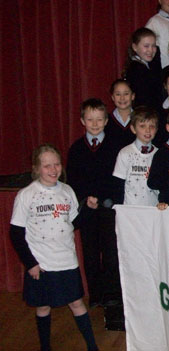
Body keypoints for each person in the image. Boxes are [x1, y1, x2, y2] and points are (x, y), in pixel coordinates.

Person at [10, 144, 99, 351]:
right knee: (43, 306)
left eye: (57, 164)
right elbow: (16, 233)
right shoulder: (26, 194)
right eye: (47, 165)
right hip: (41, 264)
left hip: (67, 260)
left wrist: (89, 210)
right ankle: (45, 347)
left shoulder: (67, 191)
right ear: (36, 168)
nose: (53, 170)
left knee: (77, 303)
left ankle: (93, 347)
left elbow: (74, 223)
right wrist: (30, 263)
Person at [66, 98, 122, 308]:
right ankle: (96, 294)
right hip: (86, 210)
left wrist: (108, 199)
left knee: (110, 252)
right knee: (90, 253)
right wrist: (85, 199)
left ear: (107, 121)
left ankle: (112, 294)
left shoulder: (116, 147)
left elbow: (117, 179)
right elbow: (73, 181)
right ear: (82, 121)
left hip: (109, 209)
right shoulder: (77, 149)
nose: (95, 124)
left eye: (100, 119)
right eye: (90, 119)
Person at [113, 106, 159, 206]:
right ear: (133, 129)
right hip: (130, 209)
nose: (148, 130)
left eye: (151, 126)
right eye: (142, 126)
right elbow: (118, 185)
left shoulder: (159, 154)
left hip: (154, 209)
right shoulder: (125, 153)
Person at [123, 27, 163, 113]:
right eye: (146, 46)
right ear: (135, 47)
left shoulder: (149, 66)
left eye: (154, 46)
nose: (151, 50)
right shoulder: (136, 69)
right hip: (145, 116)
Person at [104, 79, 136, 150]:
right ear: (112, 97)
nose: (122, 98)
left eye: (126, 94)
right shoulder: (105, 121)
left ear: (133, 96)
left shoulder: (140, 119)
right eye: (118, 94)